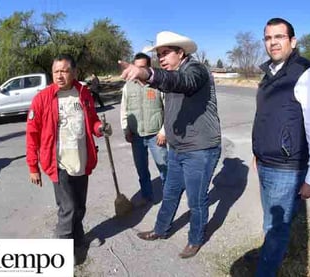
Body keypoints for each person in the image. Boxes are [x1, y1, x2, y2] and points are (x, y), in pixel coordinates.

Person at [119, 31, 221, 259]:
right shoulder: (171, 75)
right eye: (159, 54)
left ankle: (195, 239)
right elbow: (166, 88)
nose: (162, 58)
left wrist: (148, 72)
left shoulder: (196, 70)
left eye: (166, 53)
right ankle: (160, 229)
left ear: (181, 53)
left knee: (196, 199)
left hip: (200, 149)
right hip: (177, 149)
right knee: (170, 192)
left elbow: (182, 82)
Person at [252, 18, 310, 276]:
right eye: (268, 38)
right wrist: (258, 153)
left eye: (279, 36)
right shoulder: (270, 75)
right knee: (271, 224)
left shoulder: (307, 74)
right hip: (266, 164)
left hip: (287, 169)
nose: (273, 42)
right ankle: (271, 261)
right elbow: (268, 118)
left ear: (292, 41)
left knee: (277, 230)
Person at [26, 54, 112, 257]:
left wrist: (100, 128)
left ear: (74, 72)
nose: (59, 75)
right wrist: (33, 166)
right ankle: (61, 254)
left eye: (64, 71)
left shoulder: (83, 94)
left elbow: (91, 120)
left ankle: (78, 239)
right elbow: (32, 134)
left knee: (80, 206)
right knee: (68, 208)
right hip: (59, 162)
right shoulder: (42, 98)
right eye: (56, 71)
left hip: (82, 160)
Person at [120, 52, 168, 206]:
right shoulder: (128, 86)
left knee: (164, 166)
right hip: (137, 136)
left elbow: (168, 108)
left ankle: (169, 195)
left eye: (142, 67)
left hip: (156, 135)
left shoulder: (158, 85)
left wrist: (163, 131)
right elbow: (124, 110)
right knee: (141, 169)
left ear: (148, 67)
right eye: (136, 67)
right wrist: (126, 130)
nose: (138, 70)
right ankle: (147, 195)